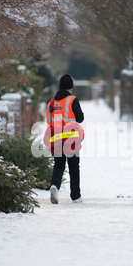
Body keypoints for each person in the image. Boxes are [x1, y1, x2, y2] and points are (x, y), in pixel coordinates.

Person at [47, 74, 84, 204]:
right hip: (71, 139)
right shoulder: (73, 100)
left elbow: (49, 122)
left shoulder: (52, 103)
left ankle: (55, 186)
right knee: (74, 167)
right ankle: (76, 196)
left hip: (56, 138)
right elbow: (80, 118)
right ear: (71, 87)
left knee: (58, 165)